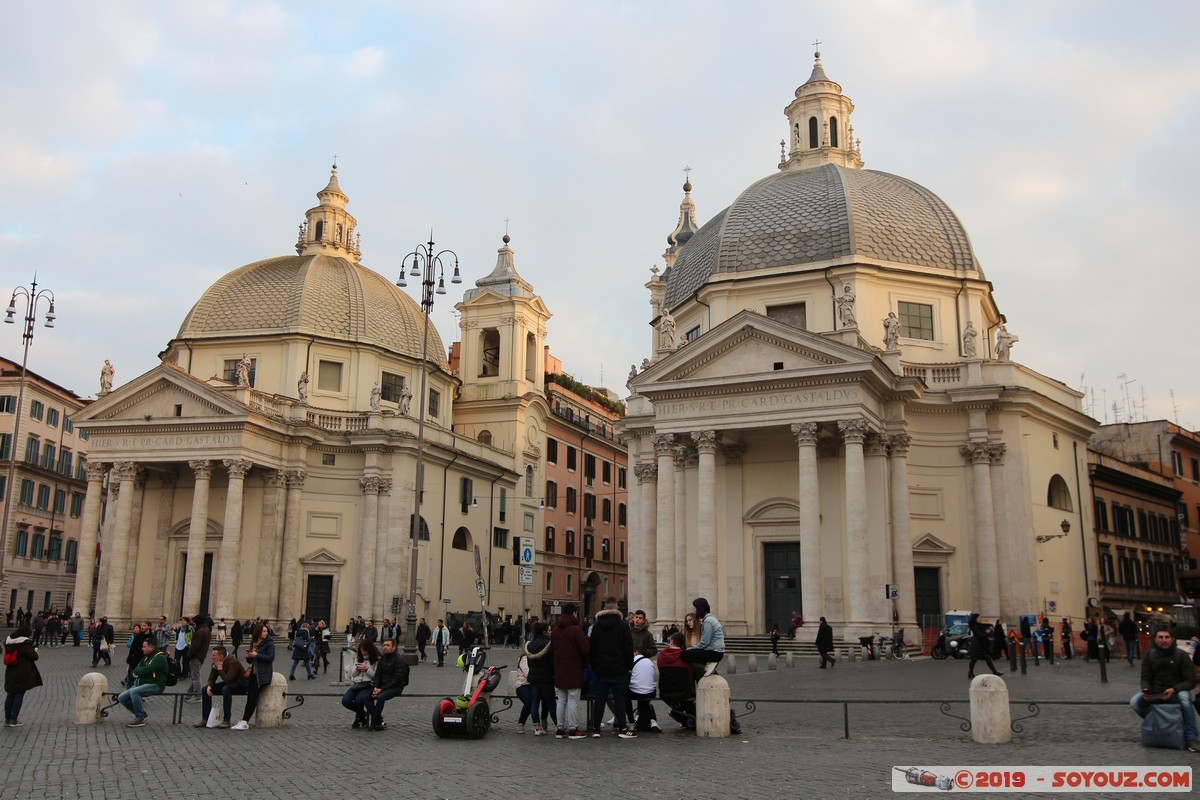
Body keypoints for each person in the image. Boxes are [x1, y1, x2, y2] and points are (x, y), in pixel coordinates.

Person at [1129, 628, 1199, 752]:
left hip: (1176, 691)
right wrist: (1146, 689)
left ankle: (1191, 738)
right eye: (1160, 637)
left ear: (1171, 639)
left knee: (1185, 700)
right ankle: (1162, 725)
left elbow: (1190, 681)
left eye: (1167, 637)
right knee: (1134, 702)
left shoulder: (1181, 655)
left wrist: (1174, 689)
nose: (1164, 640)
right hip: (1156, 691)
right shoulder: (1149, 655)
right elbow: (1145, 677)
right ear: (1155, 640)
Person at [588, 596, 637, 739]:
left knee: (600, 699)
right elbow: (628, 648)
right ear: (616, 608)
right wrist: (629, 666)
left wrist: (595, 666)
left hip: (601, 668)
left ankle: (596, 729)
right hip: (619, 668)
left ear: (604, 608)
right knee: (619, 699)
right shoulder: (622, 625)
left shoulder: (596, 626)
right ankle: (622, 727)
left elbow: (592, 648)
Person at [551, 604, 590, 740]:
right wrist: (584, 664)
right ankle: (573, 729)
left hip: (560, 669)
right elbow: (585, 649)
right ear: (574, 613)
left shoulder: (556, 630)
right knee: (573, 699)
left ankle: (560, 729)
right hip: (574, 669)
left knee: (561, 700)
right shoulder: (576, 630)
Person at [232, 622, 274, 730]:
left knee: (252, 698)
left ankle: (245, 721)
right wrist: (249, 656)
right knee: (250, 697)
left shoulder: (269, 643)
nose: (266, 633)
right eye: (264, 631)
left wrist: (257, 655)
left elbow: (271, 658)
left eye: (266, 631)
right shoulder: (254, 643)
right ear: (258, 632)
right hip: (253, 674)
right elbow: (250, 661)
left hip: (262, 675)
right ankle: (243, 720)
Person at [118, 637, 169, 728]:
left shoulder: (160, 658)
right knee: (121, 697)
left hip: (156, 685)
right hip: (142, 683)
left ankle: (139, 718)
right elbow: (137, 669)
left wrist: (143, 671)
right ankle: (142, 713)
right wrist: (143, 671)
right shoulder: (146, 657)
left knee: (135, 691)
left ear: (151, 647)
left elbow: (147, 670)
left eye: (144, 647)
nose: (142, 648)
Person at [194, 645, 245, 729]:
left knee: (226, 689)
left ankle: (226, 720)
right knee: (204, 689)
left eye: (214, 655)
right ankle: (205, 718)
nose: (211, 657)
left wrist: (220, 668)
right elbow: (211, 678)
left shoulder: (233, 662)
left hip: (241, 684)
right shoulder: (216, 662)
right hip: (228, 682)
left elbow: (229, 681)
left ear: (221, 656)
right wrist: (209, 686)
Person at [364, 639, 408, 731]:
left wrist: (381, 689)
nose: (385, 647)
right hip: (382, 687)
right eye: (384, 645)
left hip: (395, 687)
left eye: (388, 645)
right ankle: (379, 720)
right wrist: (376, 686)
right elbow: (377, 675)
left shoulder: (399, 660)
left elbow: (397, 679)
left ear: (394, 647)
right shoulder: (382, 659)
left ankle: (374, 722)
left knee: (380, 698)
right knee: (367, 698)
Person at [4, 624, 42, 727]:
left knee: (10, 694)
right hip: (22, 671)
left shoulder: (9, 642)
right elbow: (33, 656)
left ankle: (7, 719)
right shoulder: (25, 643)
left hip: (10, 671)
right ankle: (13, 719)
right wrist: (35, 651)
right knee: (18, 694)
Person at [524, 621, 556, 735]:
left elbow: (528, 663)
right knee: (551, 703)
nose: (550, 632)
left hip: (533, 677)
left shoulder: (530, 645)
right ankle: (559, 725)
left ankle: (537, 727)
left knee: (534, 703)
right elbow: (552, 662)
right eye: (549, 630)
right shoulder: (548, 644)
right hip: (546, 678)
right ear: (544, 632)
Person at [680, 597, 725, 678]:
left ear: (699, 608)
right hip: (715, 651)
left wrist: (693, 649)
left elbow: (705, 642)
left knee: (684, 655)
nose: (694, 610)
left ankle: (709, 663)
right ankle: (707, 663)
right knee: (690, 654)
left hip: (714, 653)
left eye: (695, 608)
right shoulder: (709, 619)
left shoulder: (708, 621)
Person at [341, 639, 380, 729]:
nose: (363, 653)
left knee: (359, 700)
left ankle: (359, 718)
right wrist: (357, 669)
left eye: (365, 651)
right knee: (345, 701)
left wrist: (367, 669)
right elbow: (353, 675)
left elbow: (376, 677)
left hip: (368, 684)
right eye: (361, 651)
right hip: (358, 684)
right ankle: (362, 714)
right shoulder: (359, 658)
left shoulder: (376, 660)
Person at [628, 648, 660, 732]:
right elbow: (655, 676)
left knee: (624, 697)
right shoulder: (649, 662)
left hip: (635, 692)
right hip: (650, 692)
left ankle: (631, 720)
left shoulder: (632, 660)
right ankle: (652, 721)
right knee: (644, 703)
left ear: (636, 652)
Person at [967, 613, 1003, 680]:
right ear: (975, 619)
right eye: (979, 618)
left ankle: (970, 672)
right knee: (975, 659)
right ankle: (970, 672)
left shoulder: (979, 625)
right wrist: (987, 632)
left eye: (980, 618)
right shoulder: (975, 626)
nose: (980, 619)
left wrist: (987, 631)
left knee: (979, 659)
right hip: (978, 645)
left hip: (981, 645)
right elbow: (981, 635)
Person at [187, 618, 210, 699]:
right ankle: (188, 694)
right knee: (194, 675)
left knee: (196, 676)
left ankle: (198, 695)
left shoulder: (200, 631)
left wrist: (189, 654)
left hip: (196, 656)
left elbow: (195, 645)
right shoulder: (206, 629)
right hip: (201, 655)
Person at [124, 622, 151, 690]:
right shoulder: (137, 636)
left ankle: (138, 695)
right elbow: (132, 649)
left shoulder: (152, 637)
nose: (142, 627)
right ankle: (128, 694)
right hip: (135, 661)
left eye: (144, 625)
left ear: (149, 627)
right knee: (131, 680)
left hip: (145, 661)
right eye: (141, 625)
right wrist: (129, 659)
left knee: (141, 681)